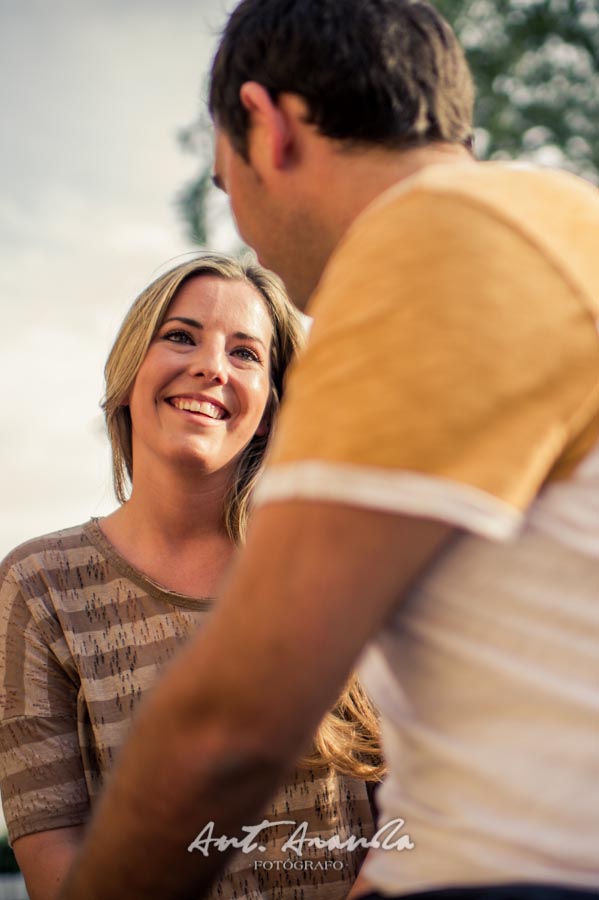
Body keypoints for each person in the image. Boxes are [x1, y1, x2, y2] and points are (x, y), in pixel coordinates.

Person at [58, 0, 599, 898]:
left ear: (268, 129)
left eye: (226, 184)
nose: (242, 226)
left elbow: (231, 722)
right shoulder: (557, 225)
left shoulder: (437, 242)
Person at [0, 254, 383, 900]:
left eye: (245, 353)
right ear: (127, 375)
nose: (210, 366)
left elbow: (421, 809)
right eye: (180, 336)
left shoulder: (340, 566)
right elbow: (54, 861)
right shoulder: (37, 586)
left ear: (267, 409)